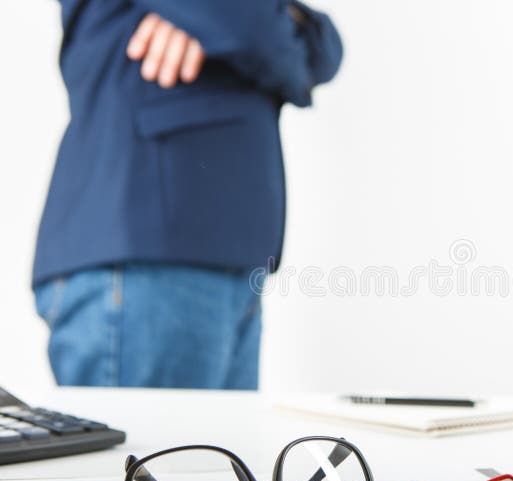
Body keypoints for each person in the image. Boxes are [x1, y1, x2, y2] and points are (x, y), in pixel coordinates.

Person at [32, 0, 342, 389]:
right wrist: (255, 26)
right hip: (147, 256)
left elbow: (326, 47)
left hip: (222, 262)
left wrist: (249, 24)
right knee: (156, 449)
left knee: (217, 450)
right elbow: (249, 26)